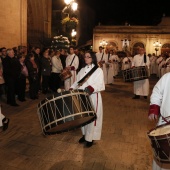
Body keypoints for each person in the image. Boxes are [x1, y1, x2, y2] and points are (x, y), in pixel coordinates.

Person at [71, 51, 105, 147]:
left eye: (88, 57)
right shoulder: (82, 70)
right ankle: (85, 134)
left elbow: (100, 84)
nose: (86, 58)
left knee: (92, 118)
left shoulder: (98, 70)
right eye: (85, 57)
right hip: (82, 96)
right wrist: (71, 88)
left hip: (93, 96)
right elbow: (77, 82)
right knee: (83, 117)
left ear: (93, 58)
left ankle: (90, 138)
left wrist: (90, 88)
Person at [148, 72, 170, 170]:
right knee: (163, 161)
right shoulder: (168, 77)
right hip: (165, 125)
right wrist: (154, 107)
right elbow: (157, 91)